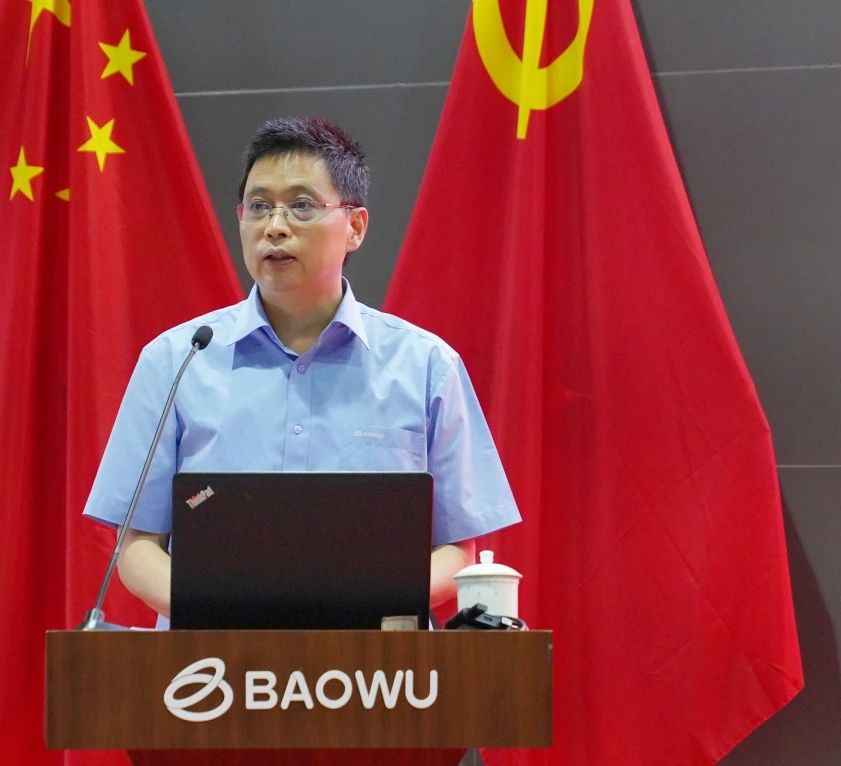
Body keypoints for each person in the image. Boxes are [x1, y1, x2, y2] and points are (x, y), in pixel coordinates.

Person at [84, 116, 519, 623]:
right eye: (259, 206)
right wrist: (231, 615)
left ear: (354, 227)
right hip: (211, 662)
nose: (275, 226)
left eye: (301, 205)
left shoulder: (425, 365)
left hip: (376, 662)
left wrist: (352, 607)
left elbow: (458, 550)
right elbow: (137, 546)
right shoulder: (177, 360)